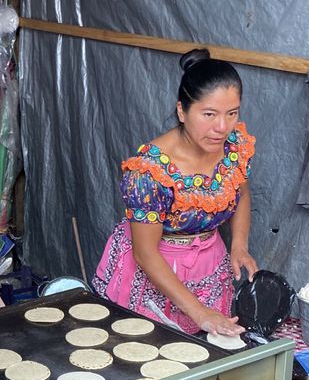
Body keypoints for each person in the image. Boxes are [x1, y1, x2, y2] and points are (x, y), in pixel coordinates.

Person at [93, 48, 258, 336]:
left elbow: (241, 193)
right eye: (209, 114)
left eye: (232, 113)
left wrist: (239, 244)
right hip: (155, 277)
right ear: (182, 110)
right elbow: (145, 253)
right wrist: (200, 313)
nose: (222, 127)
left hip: (210, 270)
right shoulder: (150, 171)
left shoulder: (233, 147)